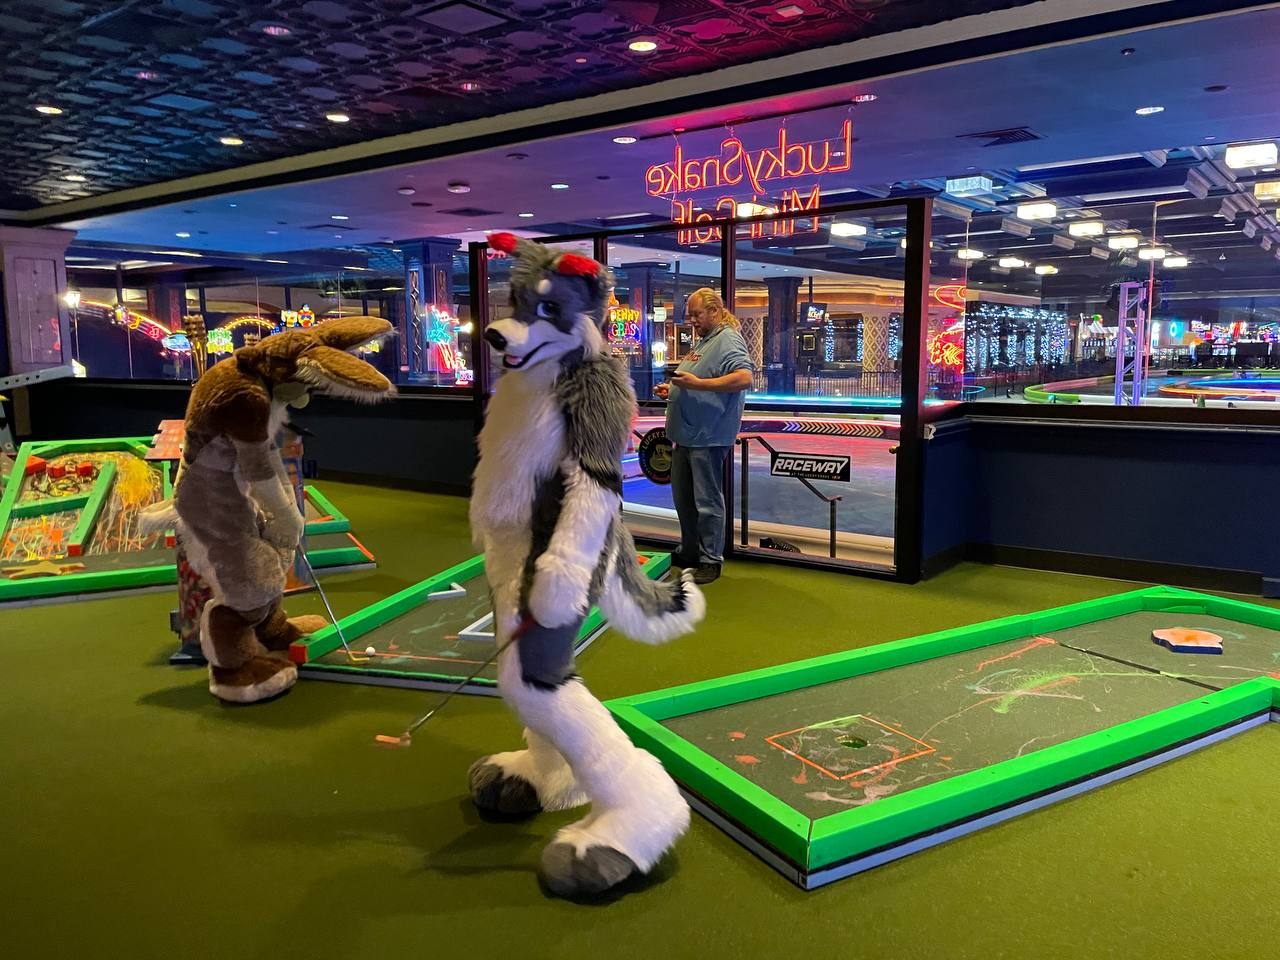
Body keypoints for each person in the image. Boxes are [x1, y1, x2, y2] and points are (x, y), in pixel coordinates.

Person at [654, 288, 753, 584]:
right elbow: (698, 379)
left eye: (697, 314)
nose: (692, 320)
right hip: (687, 434)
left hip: (708, 436)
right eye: (690, 315)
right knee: (684, 499)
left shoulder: (728, 339)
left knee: (707, 501)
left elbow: (744, 378)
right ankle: (690, 550)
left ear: (715, 311)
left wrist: (696, 384)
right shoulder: (705, 341)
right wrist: (674, 389)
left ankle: (710, 559)